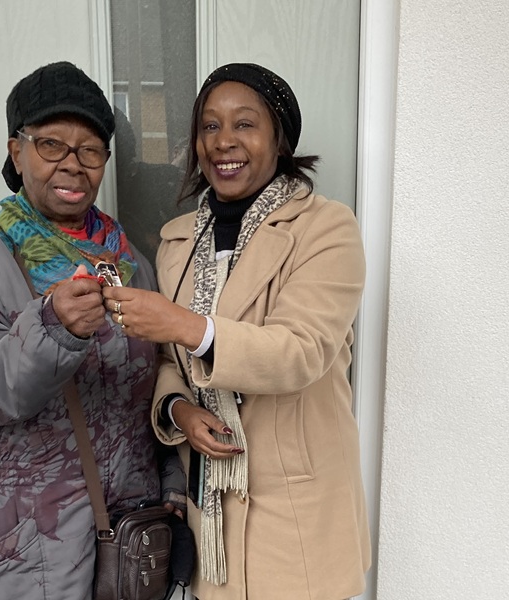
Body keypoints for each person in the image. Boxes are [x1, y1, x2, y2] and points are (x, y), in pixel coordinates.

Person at [101, 63, 371, 600]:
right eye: (210, 125)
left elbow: (301, 352)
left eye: (244, 124)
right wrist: (180, 411)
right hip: (213, 522)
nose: (223, 141)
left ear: (280, 140)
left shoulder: (326, 229)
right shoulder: (178, 241)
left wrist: (183, 324)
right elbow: (168, 362)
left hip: (296, 518)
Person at [0, 61, 183, 600]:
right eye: (51, 145)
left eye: (90, 150)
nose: (72, 164)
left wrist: (172, 486)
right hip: (24, 552)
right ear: (16, 151)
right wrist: (52, 329)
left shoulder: (129, 262)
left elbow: (153, 384)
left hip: (125, 545)